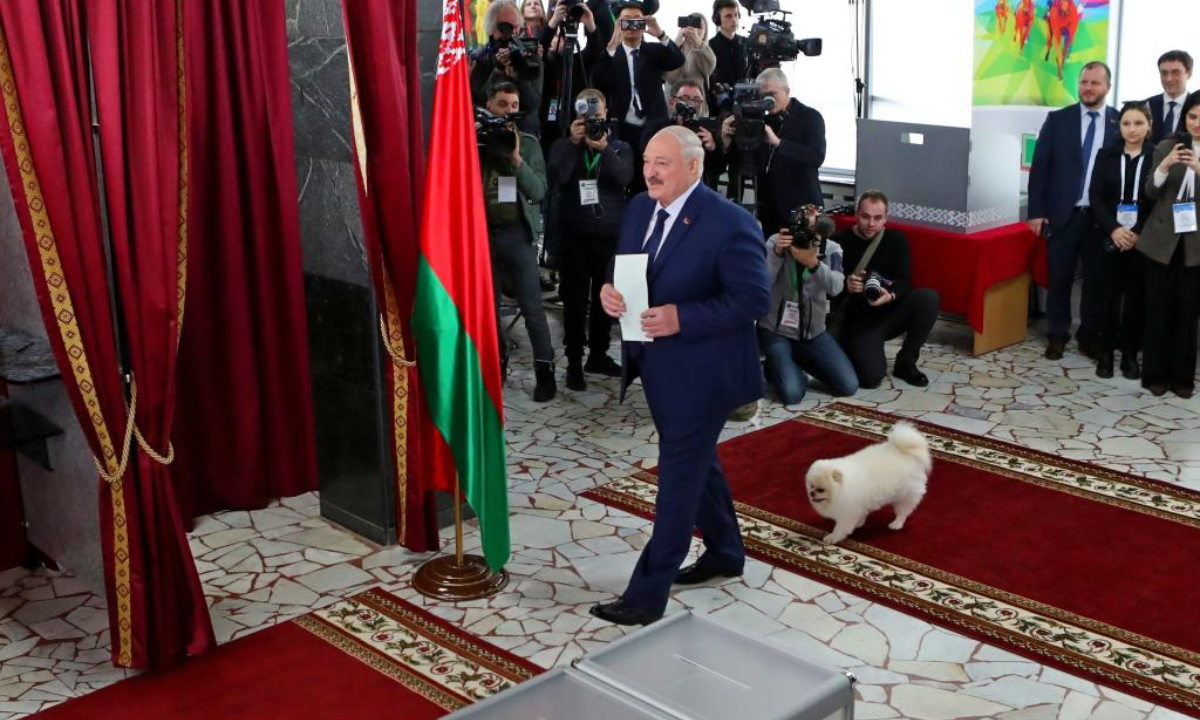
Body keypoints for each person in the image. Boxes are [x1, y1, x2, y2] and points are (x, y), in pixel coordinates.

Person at [591, 126, 769, 626]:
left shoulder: (730, 223)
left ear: (694, 166)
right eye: (648, 161)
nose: (650, 172)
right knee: (696, 463)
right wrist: (609, 289)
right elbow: (624, 265)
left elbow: (753, 299)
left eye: (662, 163)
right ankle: (726, 552)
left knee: (677, 479)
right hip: (655, 365)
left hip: (704, 374)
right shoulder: (639, 208)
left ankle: (646, 596)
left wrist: (681, 317)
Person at [1027, 61, 1118, 360]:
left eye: (1095, 83)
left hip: (1101, 219)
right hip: (1062, 215)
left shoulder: (1120, 123)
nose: (1088, 88)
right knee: (1059, 279)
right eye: (1084, 82)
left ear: (1107, 87)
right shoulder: (1058, 119)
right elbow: (1040, 167)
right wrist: (1036, 211)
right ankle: (1057, 335)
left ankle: (1088, 337)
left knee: (1095, 282)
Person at [549, 89, 634, 390]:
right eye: (587, 117)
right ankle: (574, 362)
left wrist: (604, 148)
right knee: (574, 302)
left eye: (597, 116)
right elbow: (557, 176)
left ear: (606, 113)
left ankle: (598, 355)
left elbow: (624, 177)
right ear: (577, 116)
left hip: (609, 236)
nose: (593, 122)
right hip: (574, 236)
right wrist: (573, 144)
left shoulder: (620, 147)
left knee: (604, 300)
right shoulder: (564, 145)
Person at [478, 83, 556, 401]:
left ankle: (545, 372)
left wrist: (516, 158)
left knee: (532, 308)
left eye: (514, 105)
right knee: (488, 309)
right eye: (502, 104)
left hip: (518, 235)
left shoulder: (529, 144)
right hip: (484, 235)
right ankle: (496, 363)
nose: (509, 111)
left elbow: (538, 191)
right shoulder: (474, 142)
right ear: (488, 106)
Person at [832, 191, 940, 389]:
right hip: (859, 321)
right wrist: (846, 286)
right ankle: (854, 349)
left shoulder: (896, 239)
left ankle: (906, 362)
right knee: (870, 379)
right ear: (856, 214)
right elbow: (826, 290)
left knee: (928, 298)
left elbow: (905, 280)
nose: (871, 224)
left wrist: (890, 295)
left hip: (890, 312)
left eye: (877, 218)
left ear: (885, 218)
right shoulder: (839, 242)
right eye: (865, 216)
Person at [758, 210, 858, 404]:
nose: (805, 234)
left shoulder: (832, 249)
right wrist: (777, 254)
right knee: (793, 394)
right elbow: (762, 284)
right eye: (801, 229)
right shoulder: (775, 242)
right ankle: (777, 365)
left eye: (812, 229)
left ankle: (789, 363)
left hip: (813, 333)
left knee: (848, 385)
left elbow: (836, 287)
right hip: (776, 331)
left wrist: (813, 263)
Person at [1139, 95, 1200, 398]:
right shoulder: (1166, 146)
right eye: (1193, 117)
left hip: (1194, 244)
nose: (1197, 123)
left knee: (1187, 314)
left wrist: (1198, 168)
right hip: (1162, 240)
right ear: (1184, 118)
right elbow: (1150, 191)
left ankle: (1183, 378)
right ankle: (1155, 375)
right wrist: (1164, 165)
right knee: (1157, 310)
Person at [1086, 103, 1152, 380]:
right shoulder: (1106, 154)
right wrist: (1114, 229)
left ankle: (1129, 355)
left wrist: (1136, 231)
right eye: (1126, 124)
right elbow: (1096, 195)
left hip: (1141, 240)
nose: (1132, 129)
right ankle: (1105, 353)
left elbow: (1157, 199)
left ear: (1149, 126)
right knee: (1107, 298)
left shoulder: (1157, 156)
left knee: (1136, 300)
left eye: (1138, 123)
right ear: (1119, 127)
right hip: (1110, 237)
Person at [721, 67, 825, 234]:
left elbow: (816, 157)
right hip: (769, 209)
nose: (767, 100)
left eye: (772, 94)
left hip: (802, 207)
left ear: (787, 91)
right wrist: (727, 142)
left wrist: (778, 143)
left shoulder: (810, 117)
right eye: (762, 96)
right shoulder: (760, 119)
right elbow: (745, 162)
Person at [595, 0, 684, 194]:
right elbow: (599, 79)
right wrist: (613, 42)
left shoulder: (653, 51)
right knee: (623, 179)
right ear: (618, 23)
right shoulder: (612, 53)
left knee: (650, 181)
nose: (632, 25)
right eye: (627, 20)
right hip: (623, 127)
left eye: (637, 20)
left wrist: (659, 33)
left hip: (652, 126)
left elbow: (677, 59)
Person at [470, 0, 544, 135]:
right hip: (489, 129)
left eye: (515, 27)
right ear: (491, 29)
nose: (511, 33)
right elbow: (481, 101)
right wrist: (497, 70)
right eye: (505, 28)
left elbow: (533, 104)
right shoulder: (480, 58)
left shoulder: (530, 53)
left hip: (523, 129)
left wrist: (519, 77)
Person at [641, 78, 727, 190]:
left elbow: (720, 169)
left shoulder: (707, 130)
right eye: (685, 99)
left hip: (699, 192)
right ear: (672, 103)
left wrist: (713, 148)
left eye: (697, 100)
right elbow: (645, 157)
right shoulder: (658, 129)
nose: (691, 104)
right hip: (664, 189)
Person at [1144, 50, 1196, 146]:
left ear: (1189, 74)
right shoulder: (1147, 105)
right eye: (1164, 73)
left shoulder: (1196, 107)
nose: (1169, 79)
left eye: (1176, 73)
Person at [663, 13, 717, 99]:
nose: (694, 30)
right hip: (672, 101)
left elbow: (710, 64)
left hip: (695, 102)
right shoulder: (676, 48)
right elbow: (663, 70)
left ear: (705, 33)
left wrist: (698, 42)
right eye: (691, 25)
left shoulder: (705, 53)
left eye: (699, 26)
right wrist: (676, 44)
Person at [708, 0, 749, 107]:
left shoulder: (747, 44)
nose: (734, 20)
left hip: (745, 104)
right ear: (717, 19)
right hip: (718, 107)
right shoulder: (709, 47)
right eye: (728, 16)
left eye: (736, 15)